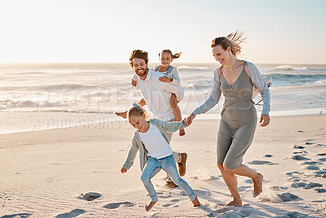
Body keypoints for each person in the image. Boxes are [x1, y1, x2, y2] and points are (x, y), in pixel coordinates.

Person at [185, 31, 271, 206]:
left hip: (246, 121)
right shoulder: (218, 73)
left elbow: (264, 90)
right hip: (226, 121)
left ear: (229, 50)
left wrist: (266, 111)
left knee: (230, 165)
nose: (217, 58)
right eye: (214, 55)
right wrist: (195, 113)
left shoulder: (248, 67)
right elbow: (213, 99)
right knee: (220, 163)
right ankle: (237, 200)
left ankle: (256, 177)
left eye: (219, 54)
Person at [116, 49, 188, 187]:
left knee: (161, 148)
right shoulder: (138, 80)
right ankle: (179, 158)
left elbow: (180, 90)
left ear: (147, 63)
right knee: (157, 148)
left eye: (141, 64)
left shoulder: (158, 77)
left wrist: (174, 100)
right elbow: (146, 98)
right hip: (156, 118)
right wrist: (129, 111)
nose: (139, 67)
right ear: (132, 67)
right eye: (136, 65)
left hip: (168, 117)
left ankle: (172, 177)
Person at [120, 105, 200, 211]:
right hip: (153, 160)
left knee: (177, 180)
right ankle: (154, 199)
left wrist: (183, 124)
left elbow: (169, 126)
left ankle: (194, 198)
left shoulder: (155, 124)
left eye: (137, 123)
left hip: (167, 158)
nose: (136, 126)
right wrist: (127, 165)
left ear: (143, 116)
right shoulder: (137, 135)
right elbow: (133, 150)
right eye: (133, 125)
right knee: (144, 178)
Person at [131, 49, 186, 136]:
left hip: (171, 93)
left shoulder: (172, 71)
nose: (165, 61)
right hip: (157, 111)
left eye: (167, 59)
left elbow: (178, 84)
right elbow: (143, 73)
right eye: (163, 59)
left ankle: (181, 126)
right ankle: (132, 110)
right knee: (147, 96)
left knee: (173, 104)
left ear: (171, 60)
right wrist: (134, 79)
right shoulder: (155, 70)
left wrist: (170, 81)